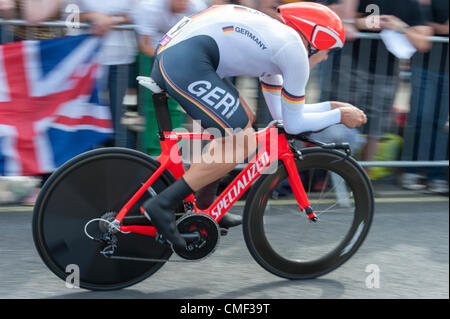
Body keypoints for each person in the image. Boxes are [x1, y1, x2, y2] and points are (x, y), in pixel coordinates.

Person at [140, 2, 367, 250]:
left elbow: (282, 114)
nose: (324, 59)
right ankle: (162, 204)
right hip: (184, 62)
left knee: (241, 121)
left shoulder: (278, 46)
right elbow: (293, 124)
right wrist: (338, 116)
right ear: (316, 40)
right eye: (328, 51)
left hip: (182, 58)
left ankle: (205, 205)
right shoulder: (294, 51)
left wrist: (332, 107)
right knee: (242, 141)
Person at [335, 0, 432, 175]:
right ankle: (334, 173)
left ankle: (364, 178)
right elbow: (339, 19)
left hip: (387, 73)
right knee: (343, 121)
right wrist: (365, 22)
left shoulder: (411, 4)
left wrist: (399, 27)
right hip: (353, 67)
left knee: (375, 128)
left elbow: (424, 42)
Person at [399, 0, 449, 194]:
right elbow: (420, 28)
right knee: (420, 117)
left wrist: (433, 28)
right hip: (425, 66)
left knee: (439, 122)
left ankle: (435, 174)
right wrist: (436, 29)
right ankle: (410, 170)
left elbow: (434, 29)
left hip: (445, 68)